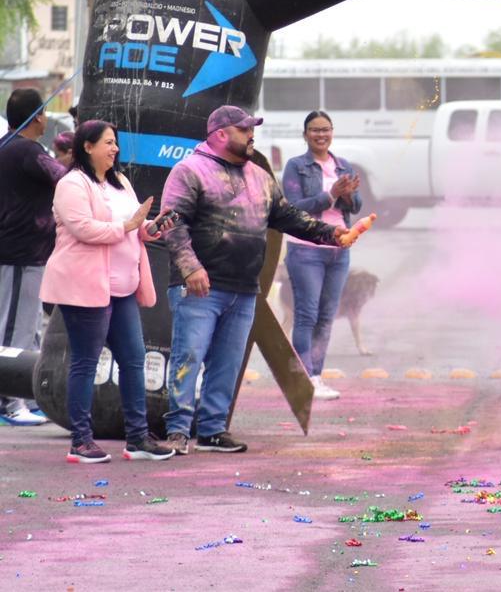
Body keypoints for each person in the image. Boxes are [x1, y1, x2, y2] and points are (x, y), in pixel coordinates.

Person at [162, 105, 349, 454]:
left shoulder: (260, 176)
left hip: (244, 288)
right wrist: (190, 267)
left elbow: (289, 217)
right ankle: (177, 430)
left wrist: (333, 235)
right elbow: (172, 223)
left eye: (252, 129)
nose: (252, 135)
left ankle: (213, 430)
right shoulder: (190, 170)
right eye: (244, 129)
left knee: (227, 362)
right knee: (189, 356)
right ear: (221, 134)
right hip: (200, 286)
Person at [39, 120, 176, 463]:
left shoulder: (121, 183)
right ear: (88, 146)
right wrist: (128, 226)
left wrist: (151, 227)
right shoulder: (72, 184)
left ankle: (137, 439)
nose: (115, 149)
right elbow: (84, 229)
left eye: (115, 143)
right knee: (85, 362)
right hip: (84, 288)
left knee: (133, 359)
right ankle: (81, 442)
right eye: (108, 142)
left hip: (123, 288)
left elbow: (134, 228)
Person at [281, 110, 362, 401]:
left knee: (327, 316)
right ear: (305, 135)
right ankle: (304, 378)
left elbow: (354, 207)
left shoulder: (343, 165)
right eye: (315, 130)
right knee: (307, 314)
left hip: (339, 249)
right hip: (306, 248)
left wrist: (348, 194)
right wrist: (330, 195)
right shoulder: (295, 166)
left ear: (332, 132)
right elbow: (293, 209)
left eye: (325, 129)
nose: (321, 135)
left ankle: (316, 376)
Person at [0, 89, 67, 426]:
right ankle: (10, 404)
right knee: (15, 329)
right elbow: (65, 179)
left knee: (28, 328)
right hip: (20, 253)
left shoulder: (7, 146)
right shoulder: (27, 151)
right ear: (38, 115)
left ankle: (25, 396)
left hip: (24, 253)